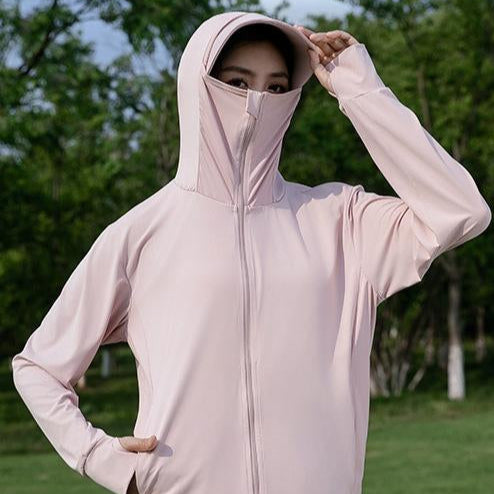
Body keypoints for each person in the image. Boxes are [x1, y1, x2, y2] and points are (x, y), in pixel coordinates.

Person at [11, 10, 491, 494]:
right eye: (237, 82)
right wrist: (102, 459)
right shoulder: (141, 233)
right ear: (198, 85)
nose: (257, 102)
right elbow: (39, 367)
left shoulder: (342, 220)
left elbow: (462, 210)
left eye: (277, 87)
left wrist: (359, 89)